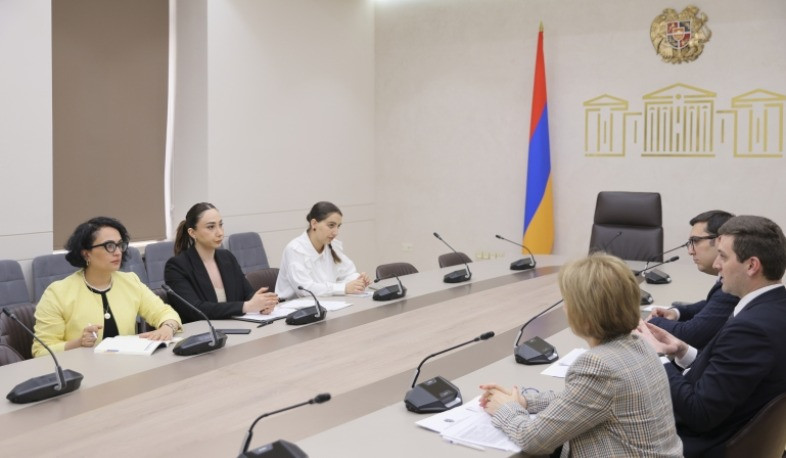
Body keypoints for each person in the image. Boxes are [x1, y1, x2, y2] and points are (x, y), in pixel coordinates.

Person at [480, 253, 682, 457]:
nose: (564, 307)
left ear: (582, 313)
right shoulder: (640, 344)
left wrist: (506, 408)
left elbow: (532, 440)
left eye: (567, 300)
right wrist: (526, 401)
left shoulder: (599, 366)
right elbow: (579, 401)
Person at [637, 215, 786, 457]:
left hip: (695, 445)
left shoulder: (751, 330)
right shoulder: (773, 308)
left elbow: (700, 413)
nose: (716, 265)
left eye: (723, 257)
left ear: (751, 265)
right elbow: (727, 377)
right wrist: (682, 351)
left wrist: (657, 358)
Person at [32, 217, 181, 357]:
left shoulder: (130, 281)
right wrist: (77, 343)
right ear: (86, 254)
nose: (118, 252)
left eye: (120, 245)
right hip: (81, 369)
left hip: (127, 366)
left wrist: (167, 327)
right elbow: (41, 351)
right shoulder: (57, 293)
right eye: (109, 246)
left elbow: (165, 313)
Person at [164, 202, 279, 324]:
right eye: (211, 227)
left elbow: (247, 293)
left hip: (238, 327)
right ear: (192, 233)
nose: (220, 233)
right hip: (203, 331)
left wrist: (263, 304)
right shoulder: (177, 266)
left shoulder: (227, 258)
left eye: (220, 225)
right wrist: (247, 306)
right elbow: (196, 309)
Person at [647, 210, 739, 348]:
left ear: (721, 240)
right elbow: (710, 305)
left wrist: (651, 322)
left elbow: (689, 335)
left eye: (695, 241)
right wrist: (676, 312)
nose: (690, 251)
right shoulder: (726, 284)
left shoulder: (732, 287)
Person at [275, 201, 371, 299]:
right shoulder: (295, 249)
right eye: (331, 225)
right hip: (294, 306)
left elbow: (348, 273)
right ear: (314, 224)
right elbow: (305, 289)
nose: (336, 232)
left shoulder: (332, 245)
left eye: (338, 226)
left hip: (326, 302)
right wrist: (343, 288)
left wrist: (358, 280)